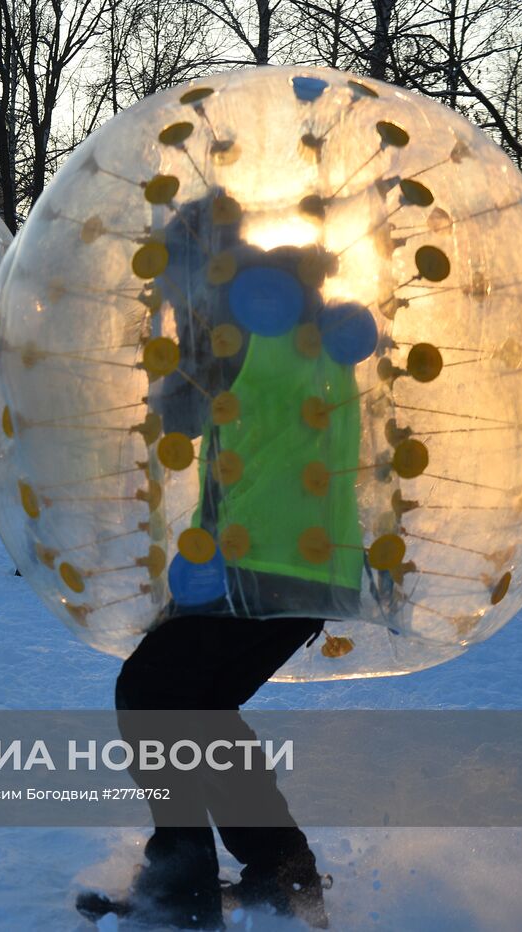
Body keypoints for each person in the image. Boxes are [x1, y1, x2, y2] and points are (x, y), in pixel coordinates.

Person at [77, 194, 360, 928]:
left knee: (147, 692)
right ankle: (283, 875)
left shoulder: (233, 318)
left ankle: (182, 889)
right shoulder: (290, 307)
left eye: (171, 278)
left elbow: (178, 412)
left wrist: (169, 335)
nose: (166, 295)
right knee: (196, 709)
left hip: (262, 559)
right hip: (308, 562)